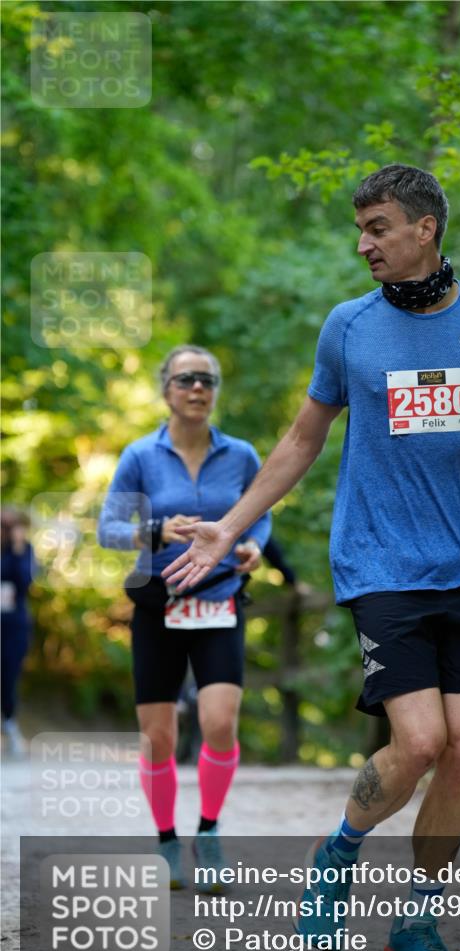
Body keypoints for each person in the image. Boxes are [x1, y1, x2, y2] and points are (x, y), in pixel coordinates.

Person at [162, 165, 460, 951]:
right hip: (380, 561)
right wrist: (231, 526)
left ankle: (416, 924)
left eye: (378, 227)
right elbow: (301, 441)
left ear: (424, 228)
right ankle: (339, 847)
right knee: (417, 742)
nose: (363, 244)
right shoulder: (347, 327)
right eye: (360, 229)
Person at [98, 345, 270, 889]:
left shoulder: (241, 454)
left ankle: (210, 831)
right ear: (166, 390)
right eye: (186, 379)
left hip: (219, 597)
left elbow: (259, 517)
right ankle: (167, 838)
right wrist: (154, 531)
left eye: (208, 380)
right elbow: (106, 529)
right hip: (157, 602)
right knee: (159, 737)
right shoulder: (139, 456)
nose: (198, 388)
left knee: (220, 721)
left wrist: (252, 548)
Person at [1, 506, 34, 756]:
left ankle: (10, 727)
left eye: (11, 526)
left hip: (13, 625)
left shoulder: (24, 552)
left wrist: (18, 547)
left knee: (8, 677)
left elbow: (25, 582)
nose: (6, 530)